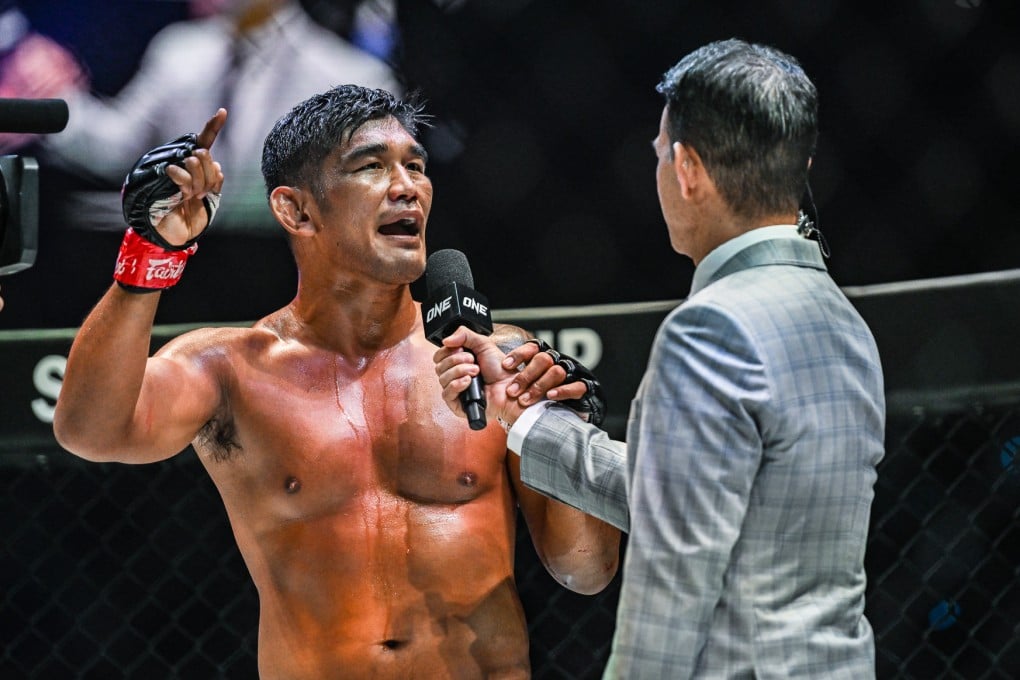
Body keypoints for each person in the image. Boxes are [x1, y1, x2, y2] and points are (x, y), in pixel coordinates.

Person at [53, 85, 620, 679]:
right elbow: (90, 430)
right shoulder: (231, 368)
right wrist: (151, 249)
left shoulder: (488, 359)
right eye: (372, 167)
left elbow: (585, 570)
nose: (408, 187)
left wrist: (554, 425)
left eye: (416, 166)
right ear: (296, 210)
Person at [434, 39, 886, 679]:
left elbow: (675, 576)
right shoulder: (843, 321)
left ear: (687, 170)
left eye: (657, 158)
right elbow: (691, 495)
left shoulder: (710, 327)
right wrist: (528, 418)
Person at [1, 0, 400, 234]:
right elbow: (119, 147)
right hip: (181, 252)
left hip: (288, 263)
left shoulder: (352, 77)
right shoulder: (180, 50)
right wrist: (50, 99)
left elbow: (360, 199)